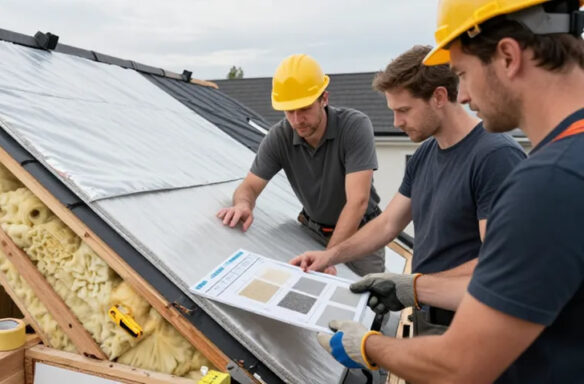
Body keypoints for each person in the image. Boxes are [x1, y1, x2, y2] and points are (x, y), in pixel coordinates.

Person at [322, 1, 584, 382]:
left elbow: (460, 364)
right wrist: (413, 287)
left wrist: (368, 346)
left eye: (463, 73)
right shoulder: (567, 165)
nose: (463, 96)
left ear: (508, 57)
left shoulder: (547, 182)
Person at [289, 45, 525, 335]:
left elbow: (500, 263)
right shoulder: (425, 154)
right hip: (428, 315)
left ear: (439, 97)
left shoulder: (495, 157)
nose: (396, 122)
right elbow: (388, 224)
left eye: (404, 110)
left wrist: (413, 287)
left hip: (473, 323)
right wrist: (329, 256)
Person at [217, 54, 384, 276]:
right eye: (289, 111)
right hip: (312, 231)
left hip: (362, 234)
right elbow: (250, 186)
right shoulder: (280, 136)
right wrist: (243, 204)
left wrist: (328, 256)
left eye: (304, 108)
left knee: (370, 293)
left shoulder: (354, 127)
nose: (296, 120)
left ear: (324, 99)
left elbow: (358, 201)